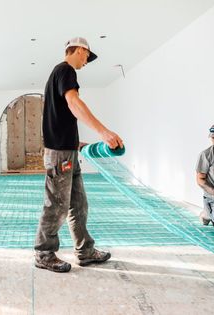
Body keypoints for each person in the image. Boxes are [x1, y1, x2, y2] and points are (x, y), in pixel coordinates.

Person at [34, 37, 124, 272]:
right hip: (60, 156)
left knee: (78, 204)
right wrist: (103, 132)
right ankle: (44, 253)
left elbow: (61, 118)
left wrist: (77, 143)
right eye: (87, 56)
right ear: (80, 50)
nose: (86, 61)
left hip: (67, 151)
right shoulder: (65, 70)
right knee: (56, 205)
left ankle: (84, 251)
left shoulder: (59, 73)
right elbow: (74, 103)